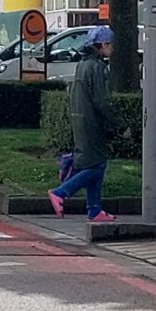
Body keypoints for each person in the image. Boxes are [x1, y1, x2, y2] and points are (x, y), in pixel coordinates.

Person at [48, 26, 118, 222]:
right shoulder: (97, 68)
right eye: (110, 44)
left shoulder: (82, 65)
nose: (112, 48)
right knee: (96, 166)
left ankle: (95, 210)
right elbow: (102, 101)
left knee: (94, 164)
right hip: (93, 123)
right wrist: (118, 124)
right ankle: (61, 192)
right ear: (103, 45)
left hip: (81, 120)